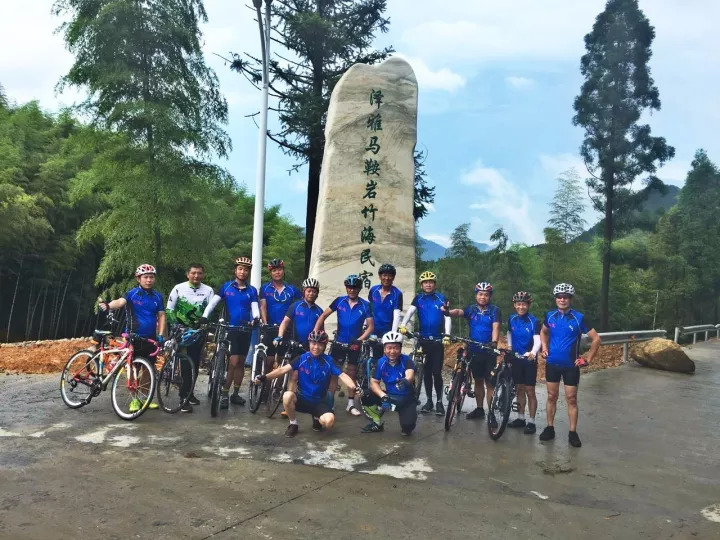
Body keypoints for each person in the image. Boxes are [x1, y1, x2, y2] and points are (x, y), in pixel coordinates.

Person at [254, 330, 361, 438]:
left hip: (319, 402)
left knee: (329, 422)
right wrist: (264, 377)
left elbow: (343, 376)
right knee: (287, 396)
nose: (316, 347)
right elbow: (282, 370)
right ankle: (293, 424)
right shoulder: (301, 358)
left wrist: (354, 387)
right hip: (302, 399)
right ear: (309, 343)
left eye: (320, 344)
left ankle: (316, 418)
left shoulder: (329, 361)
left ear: (324, 346)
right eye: (313, 343)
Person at [540, 283, 601, 448]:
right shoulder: (550, 316)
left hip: (570, 366)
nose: (562, 299)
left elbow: (596, 339)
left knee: (571, 399)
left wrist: (588, 358)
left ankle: (572, 432)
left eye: (565, 297)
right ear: (555, 299)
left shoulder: (579, 317)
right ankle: (549, 427)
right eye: (559, 297)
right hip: (552, 363)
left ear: (570, 299)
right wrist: (544, 348)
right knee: (551, 397)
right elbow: (543, 332)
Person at [98, 263, 165, 412]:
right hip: (133, 337)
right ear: (138, 279)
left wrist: (160, 334)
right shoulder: (132, 293)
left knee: (149, 369)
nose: (149, 280)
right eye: (146, 277)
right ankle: (134, 399)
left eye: (151, 277)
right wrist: (109, 306)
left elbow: (161, 315)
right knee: (133, 368)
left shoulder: (158, 296)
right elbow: (120, 302)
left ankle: (144, 398)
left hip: (151, 338)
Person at [201, 257, 259, 410]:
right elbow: (213, 303)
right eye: (240, 268)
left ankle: (236, 393)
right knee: (233, 362)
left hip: (245, 329)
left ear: (248, 272)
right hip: (230, 328)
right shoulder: (227, 287)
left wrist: (256, 318)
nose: (243, 271)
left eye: (246, 269)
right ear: (235, 270)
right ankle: (224, 393)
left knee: (241, 363)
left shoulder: (252, 290)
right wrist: (205, 316)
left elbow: (255, 308)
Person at [314, 274, 374, 416]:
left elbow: (371, 327)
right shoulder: (339, 301)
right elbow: (323, 316)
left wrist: (359, 339)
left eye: (354, 287)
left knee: (352, 373)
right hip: (339, 343)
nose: (352, 290)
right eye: (349, 287)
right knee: (334, 374)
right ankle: (330, 404)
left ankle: (351, 404)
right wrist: (317, 332)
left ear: (359, 289)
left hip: (354, 344)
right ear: (346, 288)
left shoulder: (365, 305)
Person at [445, 282, 501, 421]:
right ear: (476, 295)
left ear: (490, 296)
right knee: (478, 381)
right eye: (480, 294)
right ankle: (480, 409)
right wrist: (447, 311)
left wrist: (494, 342)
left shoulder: (494, 310)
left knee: (489, 384)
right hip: (473, 349)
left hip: (488, 351)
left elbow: (496, 327)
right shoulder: (472, 309)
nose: (483, 297)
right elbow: (459, 312)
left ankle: (492, 414)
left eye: (486, 295)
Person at [399, 271, 451, 416]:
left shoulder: (441, 298)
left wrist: (447, 335)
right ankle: (429, 401)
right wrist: (403, 325)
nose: (428, 284)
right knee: (426, 373)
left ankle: (439, 402)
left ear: (434, 284)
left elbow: (447, 317)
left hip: (437, 341)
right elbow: (409, 313)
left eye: (431, 282)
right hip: (423, 340)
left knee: (436, 373)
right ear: (421, 285)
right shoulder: (418, 299)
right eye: (425, 282)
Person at [166, 262, 214, 412]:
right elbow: (169, 309)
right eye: (193, 273)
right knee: (186, 364)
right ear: (188, 274)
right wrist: (175, 325)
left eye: (199, 273)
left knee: (195, 363)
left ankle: (190, 393)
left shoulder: (208, 290)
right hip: (181, 331)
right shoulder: (178, 288)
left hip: (199, 331)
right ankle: (183, 397)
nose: (196, 275)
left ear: (203, 275)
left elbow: (210, 309)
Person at [361, 331, 417, 435]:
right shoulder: (381, 362)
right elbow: (374, 382)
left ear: (400, 348)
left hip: (406, 399)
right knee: (365, 394)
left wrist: (405, 380)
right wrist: (383, 396)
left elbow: (410, 375)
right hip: (390, 397)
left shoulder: (407, 360)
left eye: (396, 348)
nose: (392, 351)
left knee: (407, 428)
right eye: (389, 348)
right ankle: (376, 423)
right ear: (384, 349)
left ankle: (406, 419)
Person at [505, 291, 541, 434]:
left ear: (528, 305)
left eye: (524, 304)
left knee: (530, 391)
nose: (521, 307)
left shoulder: (534, 321)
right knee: (519, 388)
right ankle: (521, 418)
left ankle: (531, 422)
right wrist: (509, 347)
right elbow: (509, 333)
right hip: (516, 358)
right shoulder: (511, 319)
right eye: (518, 304)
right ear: (515, 305)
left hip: (529, 359)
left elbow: (537, 339)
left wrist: (533, 352)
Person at [259, 258, 301, 364]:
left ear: (283, 270)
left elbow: (300, 306)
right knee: (269, 360)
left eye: (279, 269)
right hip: (270, 327)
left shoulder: (292, 289)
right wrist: (265, 323)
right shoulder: (265, 288)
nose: (277, 272)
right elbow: (263, 306)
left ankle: (279, 380)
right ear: (271, 273)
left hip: (287, 329)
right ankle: (266, 380)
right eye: (274, 270)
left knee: (283, 360)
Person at [276, 278, 324, 349]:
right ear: (304, 292)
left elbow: (322, 330)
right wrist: (280, 336)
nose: (311, 294)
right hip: (295, 345)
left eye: (314, 291)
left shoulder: (319, 311)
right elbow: (285, 322)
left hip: (311, 347)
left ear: (317, 294)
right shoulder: (295, 306)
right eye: (309, 291)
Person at [368, 263, 403, 358]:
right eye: (384, 275)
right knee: (371, 357)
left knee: (386, 358)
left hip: (387, 330)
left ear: (393, 277)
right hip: (373, 329)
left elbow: (397, 315)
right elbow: (369, 309)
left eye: (390, 275)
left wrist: (393, 333)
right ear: (380, 276)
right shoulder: (373, 290)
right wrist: (365, 325)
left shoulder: (397, 293)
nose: (387, 278)